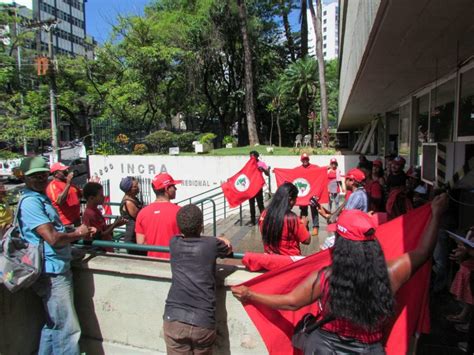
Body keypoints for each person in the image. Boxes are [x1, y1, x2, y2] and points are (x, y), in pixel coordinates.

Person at [232, 194, 449, 354]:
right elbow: (423, 252)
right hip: (369, 349)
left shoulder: (327, 277)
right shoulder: (391, 273)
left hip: (324, 348)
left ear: (341, 244)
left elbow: (290, 302)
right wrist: (436, 214)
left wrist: (251, 295)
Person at [17, 156, 93, 355]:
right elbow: (51, 237)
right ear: (25, 178)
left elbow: (55, 230)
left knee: (54, 326)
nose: (41, 178)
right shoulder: (31, 203)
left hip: (55, 266)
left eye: (43, 174)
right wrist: (78, 234)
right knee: (67, 329)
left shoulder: (40, 198)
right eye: (35, 176)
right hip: (51, 272)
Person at [163, 204, 232, 355]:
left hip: (173, 318)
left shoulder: (173, 242)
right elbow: (228, 249)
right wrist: (221, 238)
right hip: (203, 321)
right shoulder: (212, 244)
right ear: (201, 227)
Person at [135, 173, 182, 259]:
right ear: (167, 189)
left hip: (153, 263)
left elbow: (140, 243)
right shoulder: (180, 211)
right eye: (173, 186)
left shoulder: (142, 213)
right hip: (175, 263)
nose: (176, 188)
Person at [259, 182, 311, 256]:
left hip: (271, 258)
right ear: (290, 199)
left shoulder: (264, 214)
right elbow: (307, 240)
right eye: (295, 198)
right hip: (289, 261)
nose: (295, 202)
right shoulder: (292, 219)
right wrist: (304, 226)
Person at [82, 182, 127, 249]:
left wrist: (117, 224)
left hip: (105, 246)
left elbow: (103, 228)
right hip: (101, 249)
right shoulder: (90, 214)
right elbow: (101, 235)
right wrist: (115, 224)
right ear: (91, 198)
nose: (103, 197)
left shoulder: (95, 210)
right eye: (101, 195)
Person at [46, 162, 82, 227]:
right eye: (63, 171)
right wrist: (68, 184)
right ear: (56, 174)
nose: (67, 171)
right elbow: (59, 201)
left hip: (76, 221)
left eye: (66, 170)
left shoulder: (68, 183)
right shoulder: (53, 186)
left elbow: (80, 195)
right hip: (66, 224)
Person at [119, 176, 146, 256]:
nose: (138, 188)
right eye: (135, 186)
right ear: (128, 189)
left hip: (136, 233)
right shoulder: (128, 202)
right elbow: (139, 217)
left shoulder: (133, 199)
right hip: (133, 236)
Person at [299, 153, 320, 236]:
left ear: (308, 159)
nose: (305, 160)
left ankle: (315, 227)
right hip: (303, 194)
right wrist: (277, 171)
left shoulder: (314, 167)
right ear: (301, 160)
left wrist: (328, 167)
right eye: (304, 159)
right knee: (303, 210)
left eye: (306, 159)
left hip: (312, 193)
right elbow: (290, 173)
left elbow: (322, 170)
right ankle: (304, 226)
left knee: (314, 209)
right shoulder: (298, 169)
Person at [247, 151, 270, 226]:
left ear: (257, 156)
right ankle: (252, 221)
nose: (251, 158)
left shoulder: (261, 163)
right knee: (251, 204)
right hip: (250, 187)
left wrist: (263, 169)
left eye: (253, 156)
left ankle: (264, 219)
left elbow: (268, 174)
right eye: (250, 156)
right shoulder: (248, 164)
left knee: (260, 204)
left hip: (258, 187)